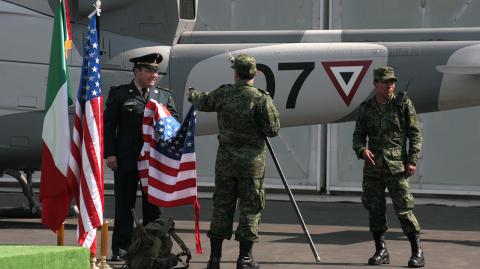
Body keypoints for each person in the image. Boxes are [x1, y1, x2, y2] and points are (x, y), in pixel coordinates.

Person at [187, 54, 280, 269]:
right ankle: (244, 259)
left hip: (226, 163)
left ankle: (214, 259)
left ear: (235, 73)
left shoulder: (224, 94)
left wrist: (192, 94)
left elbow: (203, 100)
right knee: (250, 209)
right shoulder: (261, 98)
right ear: (255, 73)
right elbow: (273, 130)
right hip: (251, 165)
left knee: (222, 207)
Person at [104, 53, 178, 261]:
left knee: (153, 208)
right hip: (127, 159)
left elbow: (174, 125)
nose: (153, 74)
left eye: (155, 71)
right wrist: (110, 154)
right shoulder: (120, 94)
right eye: (148, 70)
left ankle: (152, 249)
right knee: (125, 206)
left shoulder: (162, 96)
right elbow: (108, 126)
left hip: (154, 163)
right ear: (136, 71)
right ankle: (121, 248)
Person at [352, 66, 425, 267]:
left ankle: (417, 252)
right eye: (385, 82)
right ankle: (381, 251)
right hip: (373, 167)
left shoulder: (403, 105)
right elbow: (358, 135)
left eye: (392, 82)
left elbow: (415, 134)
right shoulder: (366, 108)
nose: (390, 85)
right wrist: (361, 150)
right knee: (375, 209)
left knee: (404, 209)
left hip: (396, 168)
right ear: (375, 83)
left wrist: (412, 160)